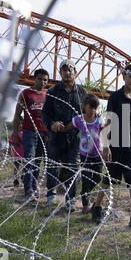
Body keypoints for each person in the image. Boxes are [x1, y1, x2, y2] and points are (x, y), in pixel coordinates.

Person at [91, 64, 131, 231]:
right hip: (115, 146)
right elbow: (108, 122)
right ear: (124, 77)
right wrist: (106, 146)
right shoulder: (115, 97)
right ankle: (96, 207)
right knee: (110, 179)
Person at [42, 59, 87, 210]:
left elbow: (86, 114)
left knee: (72, 168)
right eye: (64, 70)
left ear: (75, 72)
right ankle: (50, 196)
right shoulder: (53, 92)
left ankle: (70, 200)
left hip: (73, 137)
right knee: (52, 166)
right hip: (55, 136)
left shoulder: (82, 92)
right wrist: (51, 124)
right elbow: (45, 114)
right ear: (60, 72)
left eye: (70, 70)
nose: (67, 73)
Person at [61, 94, 103, 214]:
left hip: (97, 153)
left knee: (97, 177)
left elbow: (105, 134)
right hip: (85, 154)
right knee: (86, 178)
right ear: (84, 106)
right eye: (90, 108)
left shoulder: (99, 119)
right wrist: (59, 127)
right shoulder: (79, 119)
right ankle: (85, 204)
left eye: (95, 108)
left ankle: (85, 192)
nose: (92, 111)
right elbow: (67, 127)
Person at [12, 68, 49, 200]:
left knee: (37, 161)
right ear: (35, 79)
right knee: (30, 160)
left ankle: (34, 186)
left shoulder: (48, 94)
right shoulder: (25, 93)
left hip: (44, 133)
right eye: (40, 78)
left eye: (45, 79)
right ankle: (28, 190)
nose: (42, 82)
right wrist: (16, 134)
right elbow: (17, 114)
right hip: (29, 131)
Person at [9, 121, 24, 188]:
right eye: (18, 124)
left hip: (25, 155)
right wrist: (11, 153)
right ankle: (16, 181)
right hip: (17, 155)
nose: (20, 125)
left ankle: (23, 179)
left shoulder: (25, 133)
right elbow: (10, 144)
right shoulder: (14, 133)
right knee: (16, 169)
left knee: (24, 168)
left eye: (21, 124)